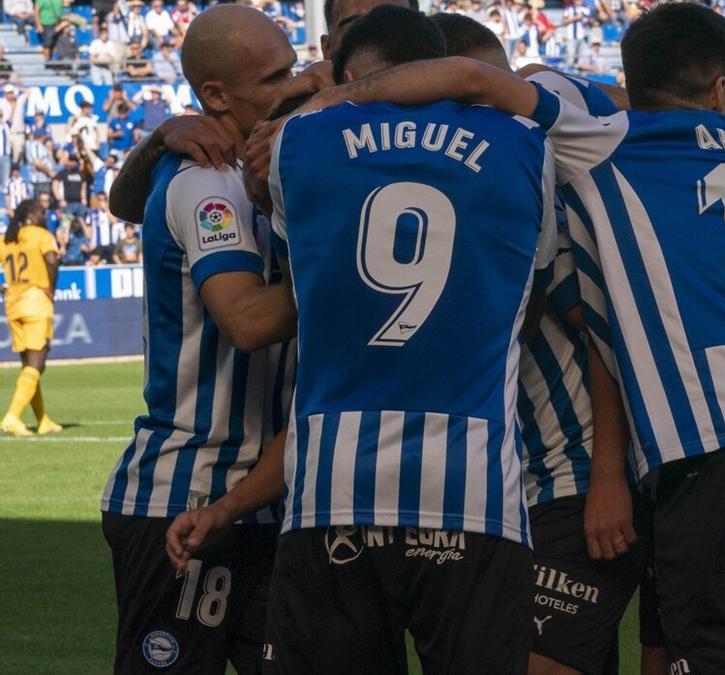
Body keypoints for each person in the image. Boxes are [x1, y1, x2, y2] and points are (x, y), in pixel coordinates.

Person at [300, 4, 725, 672]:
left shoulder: (614, 143)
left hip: (714, 451)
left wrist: (334, 95)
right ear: (723, 89)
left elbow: (476, 78)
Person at [172, 7, 554, 672]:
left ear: (346, 75)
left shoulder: (297, 144)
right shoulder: (525, 142)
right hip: (473, 488)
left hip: (331, 489)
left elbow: (298, 256)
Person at [431, 13, 650, 675]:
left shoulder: (532, 196)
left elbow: (606, 332)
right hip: (531, 487)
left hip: (578, 476)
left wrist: (606, 476)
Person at [98, 6, 298, 673]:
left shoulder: (261, 169)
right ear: (215, 96)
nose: (290, 88)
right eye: (274, 78)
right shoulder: (206, 179)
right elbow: (246, 321)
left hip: (264, 501)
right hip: (182, 499)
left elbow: (125, 201)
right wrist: (363, 278)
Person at [0, 199, 62, 436]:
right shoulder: (41, 235)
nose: (45, 215)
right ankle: (12, 417)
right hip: (35, 302)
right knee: (37, 364)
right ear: (32, 214)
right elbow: (52, 260)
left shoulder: (9, 237)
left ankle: (42, 419)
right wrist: (51, 289)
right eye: (42, 212)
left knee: (28, 365)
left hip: (14, 305)